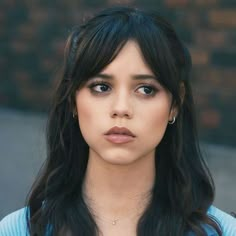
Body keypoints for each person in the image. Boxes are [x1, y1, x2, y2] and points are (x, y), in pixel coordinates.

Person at [0, 6, 235, 236]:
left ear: (175, 104)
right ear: (73, 100)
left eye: (145, 89)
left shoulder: (222, 231)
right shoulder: (20, 230)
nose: (121, 108)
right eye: (101, 87)